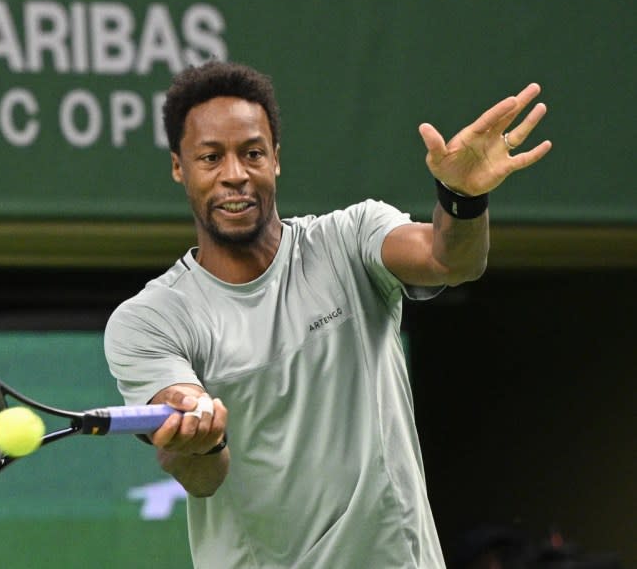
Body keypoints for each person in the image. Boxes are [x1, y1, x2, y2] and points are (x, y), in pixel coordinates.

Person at [104, 61, 551, 568]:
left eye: (252, 153)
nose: (234, 174)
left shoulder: (350, 238)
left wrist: (463, 198)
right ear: (179, 167)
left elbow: (452, 260)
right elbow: (201, 474)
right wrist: (200, 439)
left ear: (275, 159)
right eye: (210, 157)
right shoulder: (149, 319)